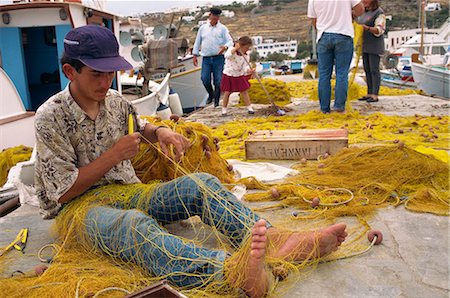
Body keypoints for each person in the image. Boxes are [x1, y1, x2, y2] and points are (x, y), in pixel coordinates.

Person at [35, 25, 348, 298]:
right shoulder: (50, 118)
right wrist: (114, 156)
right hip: (79, 210)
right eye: (96, 74)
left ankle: (279, 242)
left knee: (201, 185)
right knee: (133, 226)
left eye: (110, 73)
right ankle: (230, 273)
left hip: (125, 192)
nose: (105, 82)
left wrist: (161, 133)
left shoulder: (115, 102)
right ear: (70, 71)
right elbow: (63, 192)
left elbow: (139, 125)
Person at [307, 0, 365, 113]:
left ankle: (324, 108)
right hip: (344, 34)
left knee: (324, 75)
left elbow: (314, 21)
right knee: (341, 74)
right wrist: (350, 16)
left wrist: (322, 27)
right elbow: (360, 9)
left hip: (323, 36)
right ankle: (339, 107)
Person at [192, 7, 233, 108]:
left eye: (217, 16)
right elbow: (198, 42)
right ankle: (211, 94)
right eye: (213, 16)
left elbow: (230, 41)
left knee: (218, 81)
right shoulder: (203, 28)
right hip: (206, 58)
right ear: (210, 15)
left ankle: (216, 101)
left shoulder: (222, 28)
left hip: (218, 58)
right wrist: (195, 54)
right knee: (205, 78)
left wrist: (225, 47)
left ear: (219, 17)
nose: (215, 18)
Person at [357, 0, 386, 103]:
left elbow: (380, 30)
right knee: (367, 69)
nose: (363, 1)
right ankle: (369, 93)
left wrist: (367, 28)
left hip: (375, 46)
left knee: (374, 70)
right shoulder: (363, 13)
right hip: (365, 46)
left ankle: (375, 94)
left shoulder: (379, 12)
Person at [220, 36, 255, 116]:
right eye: (246, 48)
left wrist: (249, 70)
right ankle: (224, 109)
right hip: (229, 74)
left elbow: (244, 67)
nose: (247, 50)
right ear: (240, 46)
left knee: (244, 91)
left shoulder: (246, 56)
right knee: (227, 92)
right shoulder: (232, 50)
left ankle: (249, 108)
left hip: (239, 75)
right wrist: (235, 49)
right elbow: (227, 56)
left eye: (248, 48)